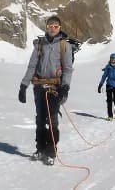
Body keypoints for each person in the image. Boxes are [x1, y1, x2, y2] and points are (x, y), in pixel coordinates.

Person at [18, 16, 73, 165]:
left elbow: (68, 69)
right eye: (50, 26)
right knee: (40, 119)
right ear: (46, 27)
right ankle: (40, 149)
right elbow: (32, 66)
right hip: (39, 86)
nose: (53, 28)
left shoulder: (64, 46)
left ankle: (51, 152)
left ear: (59, 28)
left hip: (55, 87)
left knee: (52, 120)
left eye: (56, 26)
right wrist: (24, 86)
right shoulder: (40, 44)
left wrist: (65, 87)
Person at [98, 53, 115, 121]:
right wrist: (100, 84)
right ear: (110, 59)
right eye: (112, 58)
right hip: (109, 85)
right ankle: (110, 115)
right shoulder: (108, 67)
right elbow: (104, 76)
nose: (113, 60)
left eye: (114, 58)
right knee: (109, 101)